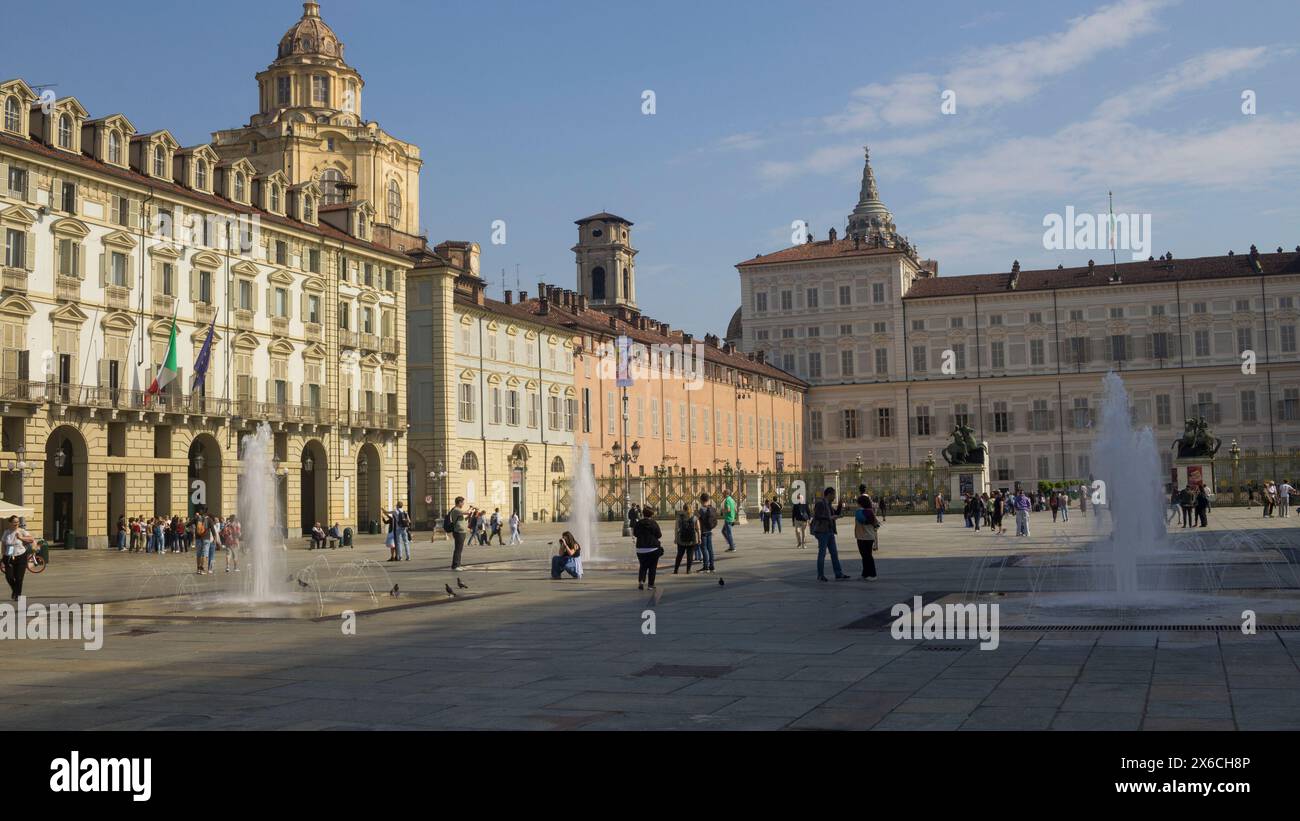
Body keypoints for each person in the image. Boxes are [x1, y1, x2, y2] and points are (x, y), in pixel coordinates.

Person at [810, 486, 850, 582]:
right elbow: (818, 516)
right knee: (822, 554)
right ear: (829, 494)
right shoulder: (820, 504)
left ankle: (838, 574)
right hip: (822, 531)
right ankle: (820, 575)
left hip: (830, 531)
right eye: (833, 494)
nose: (834, 497)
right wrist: (830, 518)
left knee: (834, 554)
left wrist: (840, 505)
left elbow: (835, 513)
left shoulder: (828, 504)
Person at [2, 515, 35, 600]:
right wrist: (3, 555)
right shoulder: (6, 532)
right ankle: (15, 590)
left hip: (21, 555)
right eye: (14, 522)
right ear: (10, 523)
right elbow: (3, 544)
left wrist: (21, 537)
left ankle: (18, 595)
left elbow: (31, 539)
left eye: (17, 522)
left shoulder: (22, 531)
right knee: (9, 576)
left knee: (19, 577)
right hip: (9, 556)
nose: (16, 523)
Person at [632, 504, 663, 590]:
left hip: (640, 549)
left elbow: (635, 534)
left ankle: (641, 581)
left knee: (643, 566)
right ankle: (650, 585)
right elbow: (659, 535)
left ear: (643, 514)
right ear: (651, 514)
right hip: (653, 548)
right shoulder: (654, 523)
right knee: (652, 567)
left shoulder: (638, 523)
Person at [854, 494, 880, 580]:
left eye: (858, 503)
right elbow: (876, 524)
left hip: (863, 537)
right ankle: (865, 574)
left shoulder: (859, 511)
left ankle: (873, 575)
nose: (856, 504)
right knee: (866, 556)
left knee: (867, 556)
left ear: (861, 503)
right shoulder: (870, 511)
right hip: (869, 536)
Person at [672, 502, 699, 574]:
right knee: (690, 555)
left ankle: (676, 570)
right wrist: (699, 538)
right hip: (691, 540)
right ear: (692, 509)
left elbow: (676, 528)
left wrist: (675, 538)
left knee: (679, 555)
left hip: (681, 539)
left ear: (683, 509)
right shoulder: (695, 518)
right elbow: (698, 529)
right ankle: (688, 570)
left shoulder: (679, 517)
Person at [697, 493, 718, 573]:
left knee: (704, 549)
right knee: (710, 549)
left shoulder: (701, 510)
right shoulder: (712, 508)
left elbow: (695, 520)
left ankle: (706, 567)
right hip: (709, 530)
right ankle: (712, 566)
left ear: (701, 500)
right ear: (708, 499)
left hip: (703, 532)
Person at [448, 498, 469, 571]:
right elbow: (466, 512)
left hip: (461, 531)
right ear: (459, 502)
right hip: (458, 532)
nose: (463, 504)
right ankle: (455, 565)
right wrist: (471, 508)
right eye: (462, 502)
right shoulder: (456, 510)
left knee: (459, 549)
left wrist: (469, 516)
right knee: (458, 549)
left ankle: (458, 564)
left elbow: (463, 519)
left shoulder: (458, 511)